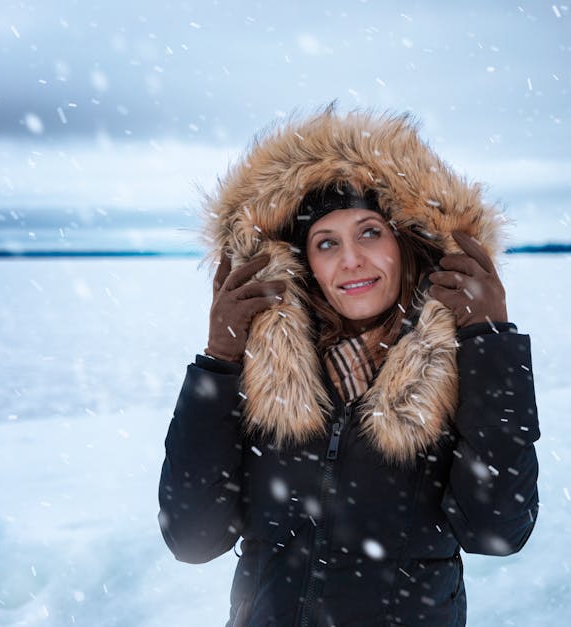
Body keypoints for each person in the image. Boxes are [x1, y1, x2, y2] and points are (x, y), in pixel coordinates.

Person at [158, 108, 540, 626]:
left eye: (369, 232)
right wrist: (219, 361)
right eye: (326, 242)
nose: (351, 260)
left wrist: (489, 342)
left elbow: (497, 530)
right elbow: (192, 537)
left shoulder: (453, 371)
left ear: (405, 244)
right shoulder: (262, 376)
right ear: (304, 263)